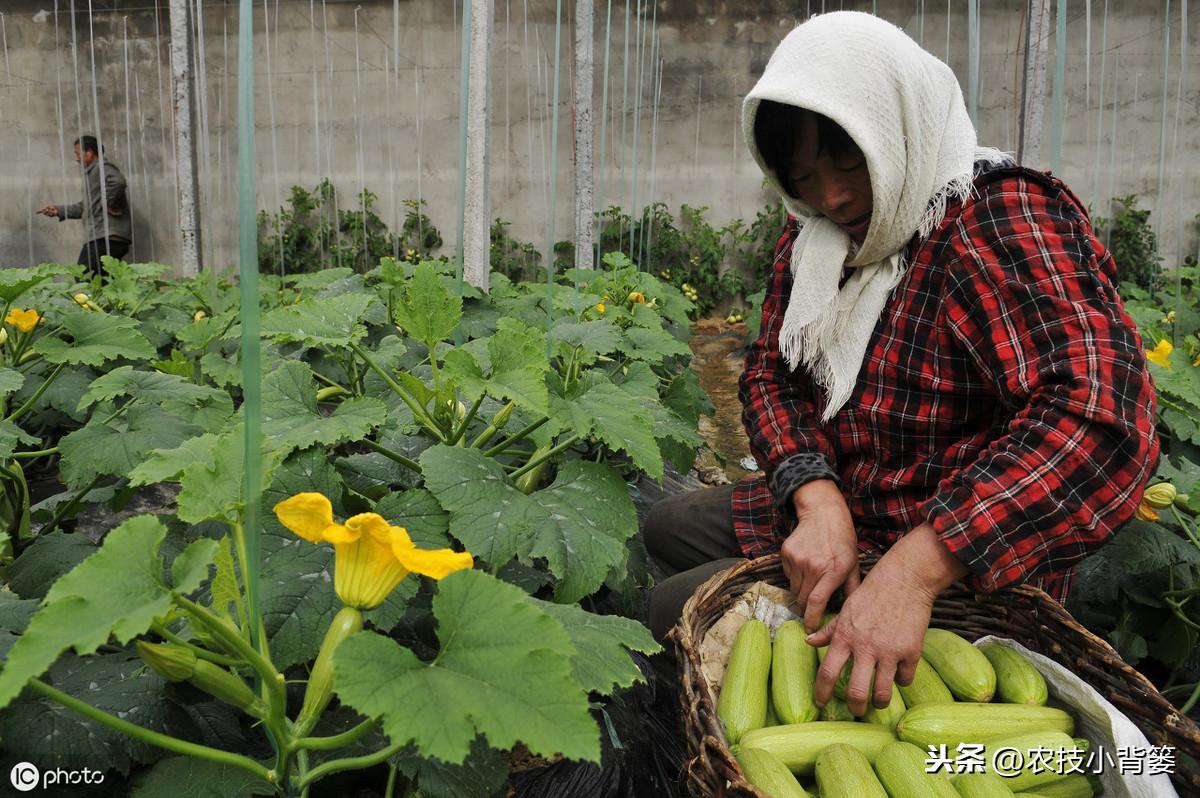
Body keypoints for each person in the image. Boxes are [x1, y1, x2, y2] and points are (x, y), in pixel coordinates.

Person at [643, 11, 1159, 718]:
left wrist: (916, 572)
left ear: (900, 125)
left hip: (955, 552)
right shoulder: (822, 243)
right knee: (663, 526)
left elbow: (1102, 422)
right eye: (804, 175)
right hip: (856, 502)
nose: (832, 197)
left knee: (661, 615)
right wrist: (815, 499)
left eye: (849, 159)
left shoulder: (993, 221)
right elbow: (769, 375)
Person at [37, 135, 132, 278]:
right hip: (106, 236)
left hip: (105, 236)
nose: (76, 159)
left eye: (77, 153)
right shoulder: (94, 173)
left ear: (89, 153)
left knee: (84, 276)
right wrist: (59, 210)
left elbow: (118, 182)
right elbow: (87, 207)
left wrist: (107, 202)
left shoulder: (101, 167)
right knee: (101, 280)